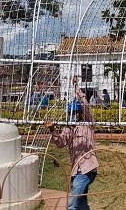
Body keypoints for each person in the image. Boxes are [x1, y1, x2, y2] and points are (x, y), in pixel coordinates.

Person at [45, 78, 99, 210]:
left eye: (75, 112)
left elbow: (85, 105)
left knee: (72, 204)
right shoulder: (69, 128)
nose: (73, 115)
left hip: (87, 169)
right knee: (81, 203)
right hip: (76, 170)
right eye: (71, 113)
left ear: (80, 113)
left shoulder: (87, 123)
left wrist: (76, 86)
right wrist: (52, 129)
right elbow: (60, 142)